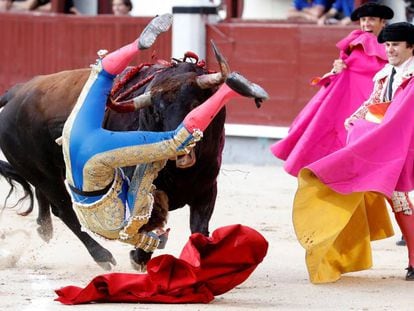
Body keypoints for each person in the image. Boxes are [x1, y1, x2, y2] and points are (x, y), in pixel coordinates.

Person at [61, 14, 268, 253]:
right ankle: (137, 44)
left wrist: (169, 151)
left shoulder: (130, 221)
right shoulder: (123, 224)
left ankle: (228, 91)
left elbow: (143, 172)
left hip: (96, 155)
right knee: (102, 74)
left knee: (176, 142)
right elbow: (141, 179)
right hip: (72, 138)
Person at [292, 22, 414, 283]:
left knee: (399, 198)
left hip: (407, 143)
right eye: (388, 45)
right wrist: (355, 118)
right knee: (395, 197)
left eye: (396, 45)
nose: (390, 50)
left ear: (411, 47)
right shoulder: (386, 74)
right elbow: (376, 104)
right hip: (387, 145)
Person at [271, 2, 393, 176]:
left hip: (378, 100)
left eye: (371, 19)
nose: (366, 24)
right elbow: (342, 67)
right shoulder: (354, 41)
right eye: (363, 20)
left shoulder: (392, 43)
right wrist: (337, 70)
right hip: (348, 98)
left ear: (382, 22)